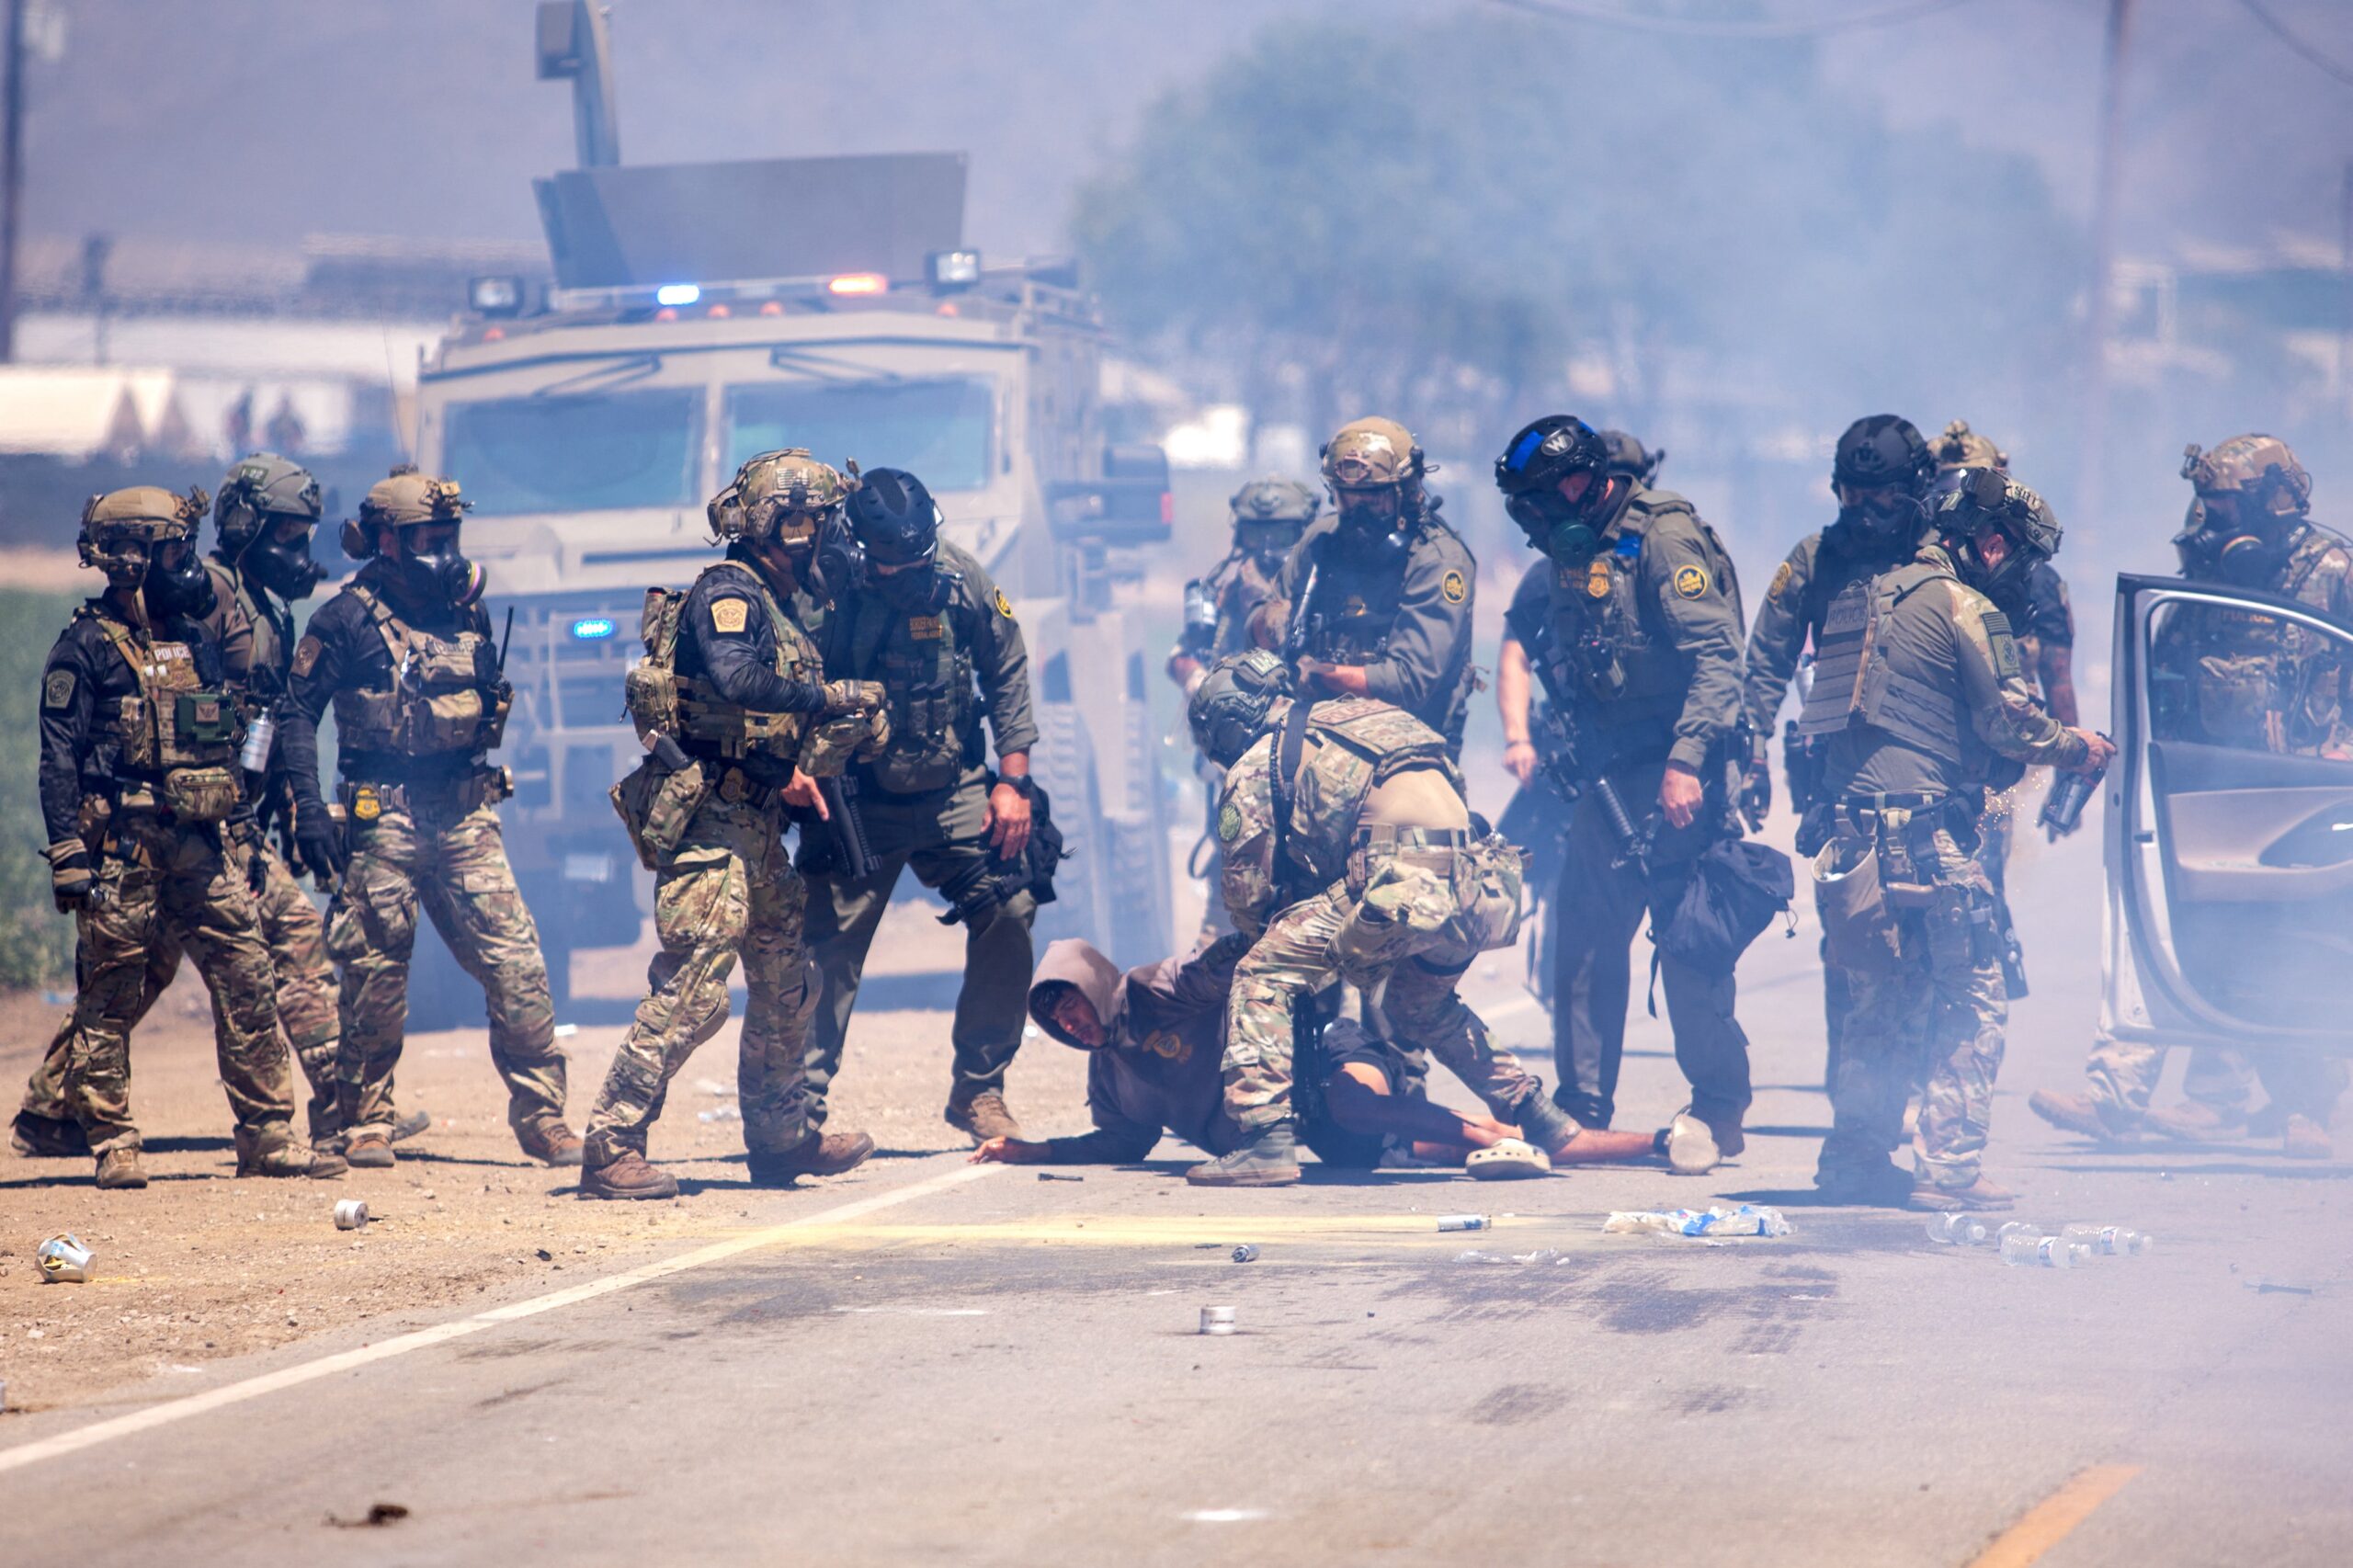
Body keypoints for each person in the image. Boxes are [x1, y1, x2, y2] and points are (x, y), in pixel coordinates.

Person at [1182, 652, 1709, 1187]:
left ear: (1228, 724)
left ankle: (1265, 1141)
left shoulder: (1257, 763)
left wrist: (1262, 942)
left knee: (1261, 972)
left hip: (1403, 881)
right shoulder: (1368, 717)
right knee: (1422, 1006)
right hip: (1480, 884)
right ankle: (1537, 1114)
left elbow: (1245, 897)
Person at [12, 454, 391, 1159]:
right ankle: (340, 1105)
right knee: (132, 974)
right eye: (285, 533)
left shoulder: (236, 610)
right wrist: (70, 851)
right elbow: (65, 753)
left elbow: (229, 724)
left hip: (210, 821)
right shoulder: (166, 617)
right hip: (141, 832)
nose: (298, 552)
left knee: (217, 961)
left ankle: (314, 1113)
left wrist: (263, 814)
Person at [2030, 434, 2349, 1159]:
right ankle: (2118, 1096)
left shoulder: (2329, 571)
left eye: (2224, 502)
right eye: (2204, 502)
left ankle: (2298, 1106)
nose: (2211, 517)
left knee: (2278, 952)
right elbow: (2164, 663)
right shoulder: (2208, 567)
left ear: (2273, 498)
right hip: (2209, 787)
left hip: (2299, 795)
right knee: (2169, 932)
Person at [581, 450, 888, 1199]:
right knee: (693, 988)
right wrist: (829, 696)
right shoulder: (731, 592)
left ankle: (782, 1141)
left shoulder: (781, 604)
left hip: (753, 825)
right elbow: (736, 679)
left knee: (789, 983)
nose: (824, 539)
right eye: (814, 522)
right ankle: (611, 1143)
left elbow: (756, 717)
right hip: (710, 824)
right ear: (781, 524)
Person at [1805, 470, 2113, 1209]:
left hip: (1850, 840)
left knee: (1876, 1004)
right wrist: (2079, 747)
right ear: (1992, 541)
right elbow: (2008, 722)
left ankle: (1852, 1163)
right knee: (1973, 998)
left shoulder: (1859, 595)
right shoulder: (1964, 605)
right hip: (1926, 841)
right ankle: (1949, 1169)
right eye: (2018, 558)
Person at [278, 468, 579, 1169]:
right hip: (384, 817)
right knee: (375, 974)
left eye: (451, 538)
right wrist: (306, 807)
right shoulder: (345, 619)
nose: (444, 553)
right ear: (385, 542)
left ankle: (544, 1119)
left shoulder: (465, 611)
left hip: (466, 817)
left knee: (519, 969)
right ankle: (367, 1119)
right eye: (427, 540)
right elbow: (297, 712)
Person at [1494, 413, 1752, 1163]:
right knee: (1581, 946)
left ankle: (1719, 1105)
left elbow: (1716, 659)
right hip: (1603, 778)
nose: (1535, 521)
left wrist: (1687, 761)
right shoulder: (1574, 551)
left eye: (1542, 501)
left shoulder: (1662, 538)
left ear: (1578, 483)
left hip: (1674, 775)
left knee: (1688, 947)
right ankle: (1580, 1108)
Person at [794, 466, 1044, 1146]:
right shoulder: (819, 589)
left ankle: (980, 1091)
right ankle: (797, 1114)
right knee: (823, 952)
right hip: (854, 802)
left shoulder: (961, 579)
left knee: (1011, 904)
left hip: (951, 791)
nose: (911, 573)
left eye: (919, 558)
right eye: (894, 564)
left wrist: (1012, 784)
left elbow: (1007, 672)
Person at [976, 935, 1683, 1172]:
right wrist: (1031, 1150)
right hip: (1310, 1133)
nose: (1069, 1022)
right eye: (1056, 1020)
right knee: (1403, 1147)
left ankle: (1501, 1133)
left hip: (1324, 1058)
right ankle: (1651, 1143)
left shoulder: (1153, 990)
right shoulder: (1112, 1081)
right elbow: (1121, 1146)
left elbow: (1217, 967)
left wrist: (1255, 930)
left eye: (1069, 1003)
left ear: (1095, 984)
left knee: (1357, 1102)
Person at [1740, 415, 1938, 1083]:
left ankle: (1936, 1101)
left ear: (1914, 491)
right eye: (1851, 495)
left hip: (1941, 781)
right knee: (1853, 940)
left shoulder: (1948, 557)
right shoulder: (1814, 560)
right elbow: (1765, 662)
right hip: (1843, 783)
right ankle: (1855, 1095)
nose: (1865, 511)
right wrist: (1753, 752)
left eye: (1880, 496)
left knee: (1948, 941)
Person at [1496, 432, 1662, 1005]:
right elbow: (1516, 655)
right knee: (1506, 859)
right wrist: (1518, 739)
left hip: (1648, 757)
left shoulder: (1659, 551)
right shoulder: (1551, 569)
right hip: (1569, 751)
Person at [1254, 418, 1479, 758]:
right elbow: (1260, 632)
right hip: (1315, 736)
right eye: (1347, 499)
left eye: (1372, 499)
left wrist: (1316, 673)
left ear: (1406, 493)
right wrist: (1267, 621)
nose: (1357, 514)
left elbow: (1409, 682)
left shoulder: (1437, 561)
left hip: (1409, 749)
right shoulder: (1321, 539)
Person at [1169, 475, 1319, 944]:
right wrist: (1198, 681)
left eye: (1283, 533)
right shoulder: (1223, 588)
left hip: (1313, 746)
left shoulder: (1325, 585)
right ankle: (1216, 961)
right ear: (1242, 535)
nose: (1271, 546)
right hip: (1240, 750)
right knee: (1232, 868)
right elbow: (1182, 653)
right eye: (1259, 534)